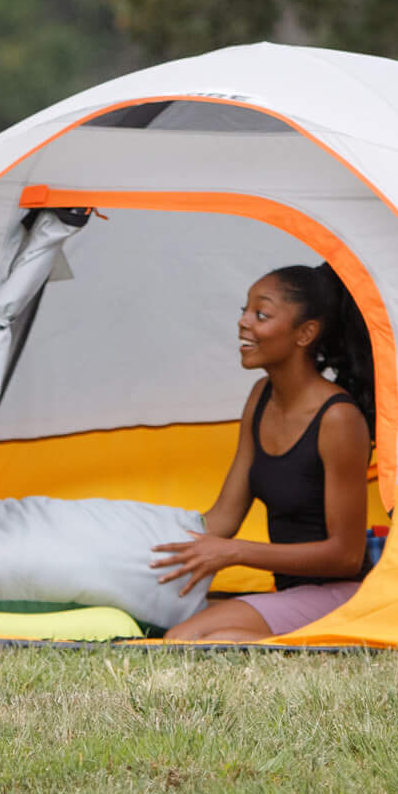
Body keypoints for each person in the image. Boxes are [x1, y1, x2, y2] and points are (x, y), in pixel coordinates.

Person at [153, 263, 375, 643]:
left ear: (305, 333)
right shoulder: (260, 397)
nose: (243, 322)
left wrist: (236, 553)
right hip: (291, 594)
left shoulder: (338, 418)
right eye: (245, 310)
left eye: (261, 314)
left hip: (341, 594)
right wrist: (143, 544)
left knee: (187, 640)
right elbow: (222, 519)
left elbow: (347, 555)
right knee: (184, 633)